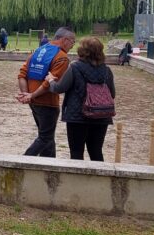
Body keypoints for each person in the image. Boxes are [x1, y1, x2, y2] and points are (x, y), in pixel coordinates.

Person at [46, 37, 116, 161]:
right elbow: (112, 94)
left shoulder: (75, 67)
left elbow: (59, 88)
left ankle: (77, 180)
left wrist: (51, 80)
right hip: (101, 116)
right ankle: (99, 179)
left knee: (76, 152)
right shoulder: (107, 70)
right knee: (96, 151)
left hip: (77, 117)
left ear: (82, 50)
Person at [16, 27, 75, 158]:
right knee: (45, 137)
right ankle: (22, 162)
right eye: (72, 42)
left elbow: (22, 74)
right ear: (65, 40)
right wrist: (31, 95)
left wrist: (27, 95)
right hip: (48, 103)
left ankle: (49, 166)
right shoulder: (62, 57)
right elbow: (49, 82)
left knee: (48, 137)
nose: (72, 46)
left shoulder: (38, 51)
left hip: (34, 102)